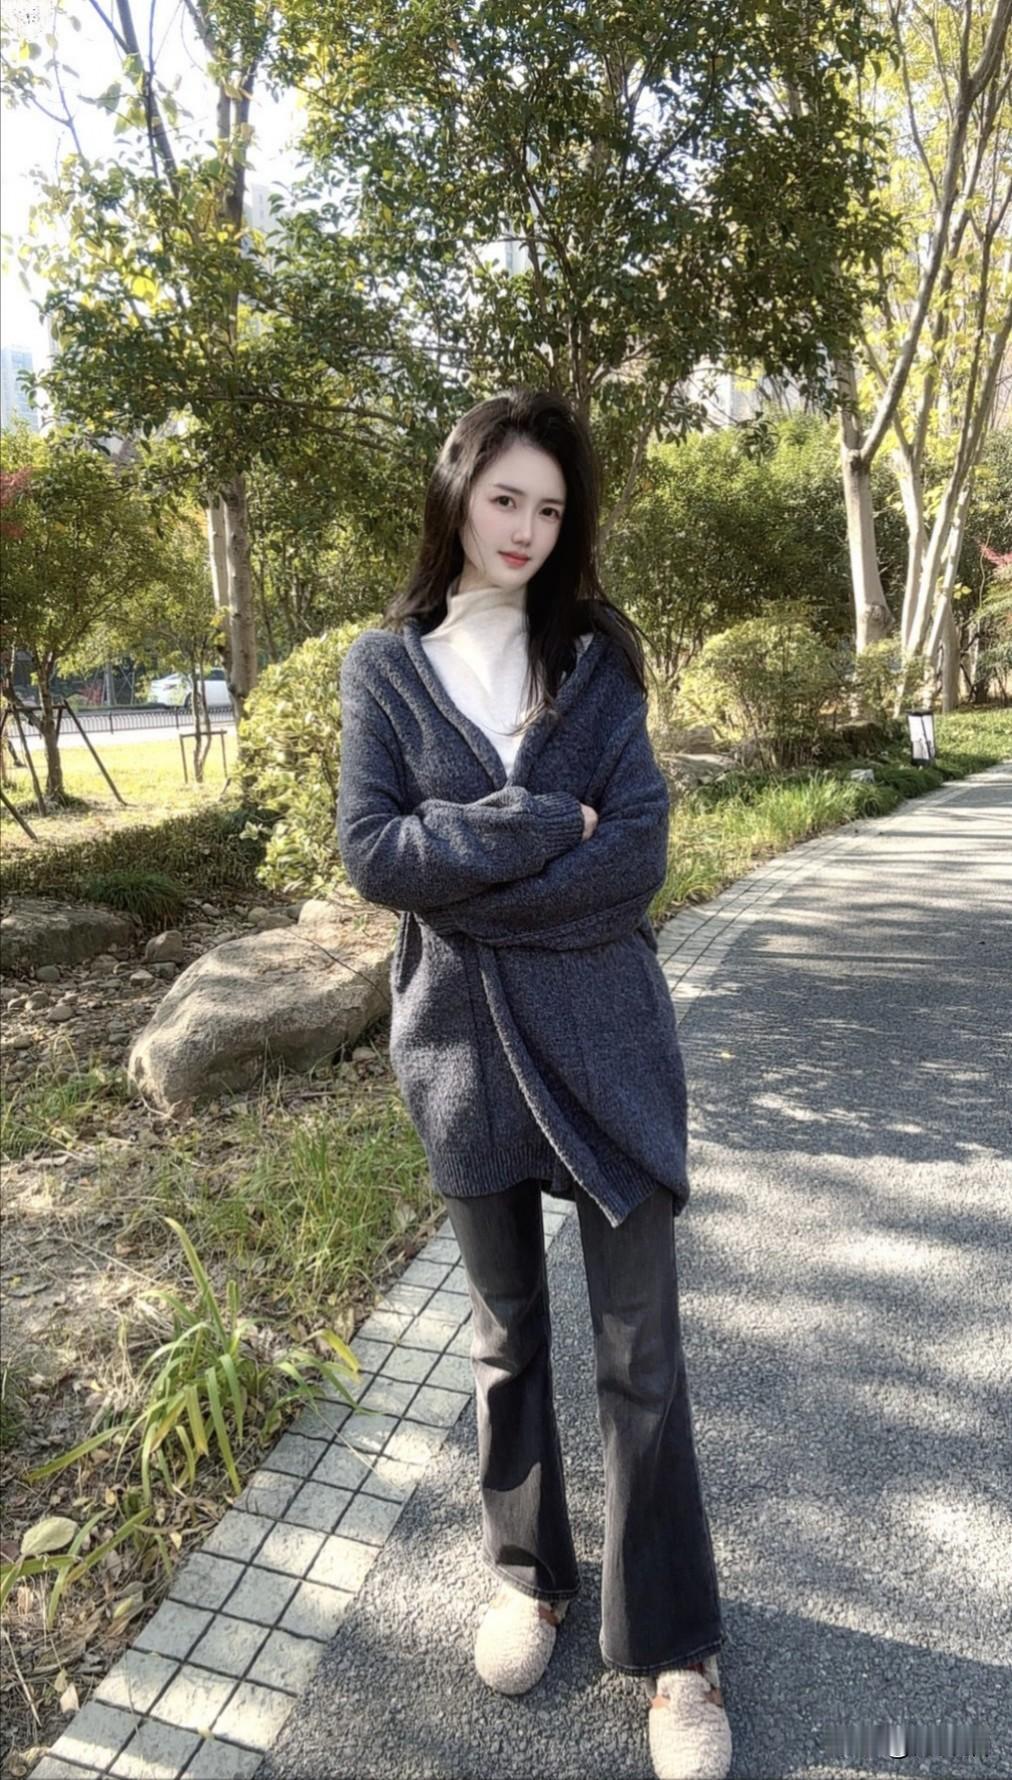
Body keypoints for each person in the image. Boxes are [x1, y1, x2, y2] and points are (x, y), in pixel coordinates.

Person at [336, 389, 731, 1780]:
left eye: (550, 508)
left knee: (641, 1357)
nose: (525, 528)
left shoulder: (598, 663)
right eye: (506, 497)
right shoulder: (383, 670)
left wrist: (468, 881)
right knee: (505, 1339)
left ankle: (676, 1649)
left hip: (608, 1043)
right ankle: (530, 1575)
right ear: (457, 494)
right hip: (459, 1052)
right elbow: (373, 854)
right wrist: (533, 821)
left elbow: (638, 855)